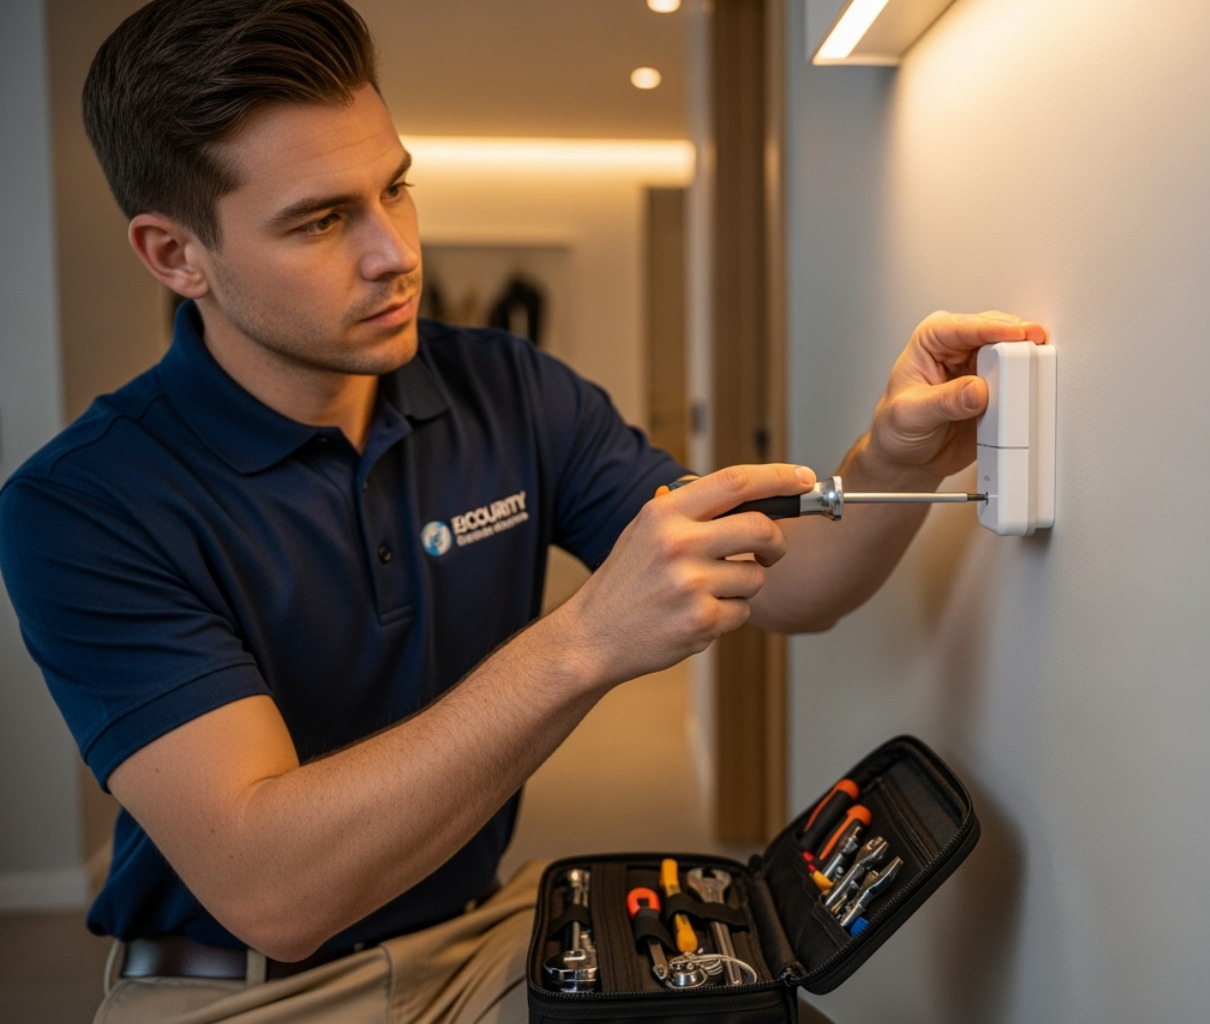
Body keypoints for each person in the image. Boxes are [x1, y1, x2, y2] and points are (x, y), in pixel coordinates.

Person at [0, 1, 1048, 1021]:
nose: (394, 252)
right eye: (320, 221)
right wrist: (588, 639)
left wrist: (894, 453)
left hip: (479, 932)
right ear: (176, 255)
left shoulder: (507, 388)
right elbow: (277, 893)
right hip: (239, 985)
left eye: (395, 189)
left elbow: (793, 585)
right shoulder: (83, 506)